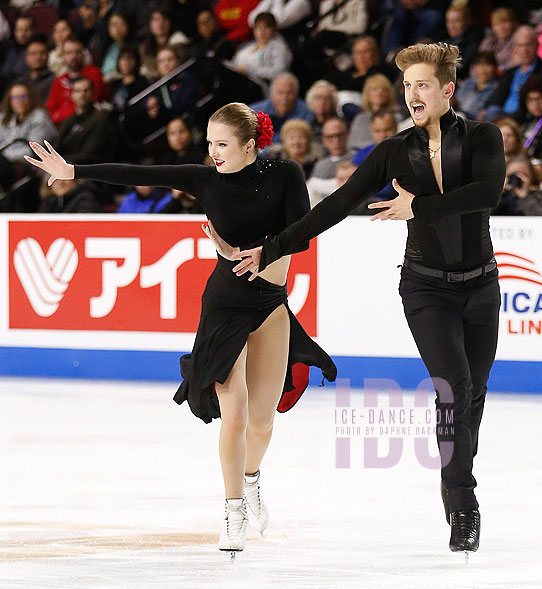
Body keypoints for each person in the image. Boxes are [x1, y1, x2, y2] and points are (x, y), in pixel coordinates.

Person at [230, 42, 506, 555]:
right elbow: (333, 207)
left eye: (422, 84)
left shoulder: (483, 138)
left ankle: (453, 479)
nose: (412, 94)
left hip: (482, 287)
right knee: (455, 386)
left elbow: (488, 195)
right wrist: (273, 247)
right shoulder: (393, 152)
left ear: (447, 90)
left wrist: (417, 206)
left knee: (473, 395)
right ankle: (464, 503)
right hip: (426, 288)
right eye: (406, 85)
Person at [24, 103, 336, 555]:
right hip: (225, 306)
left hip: (271, 304)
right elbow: (133, 173)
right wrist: (73, 168)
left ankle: (250, 481)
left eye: (222, 145)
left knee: (264, 421)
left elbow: (303, 236)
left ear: (250, 145)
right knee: (236, 411)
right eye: (209, 143)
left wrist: (254, 252)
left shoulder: (285, 174)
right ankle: (232, 511)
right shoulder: (206, 179)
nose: (213, 153)